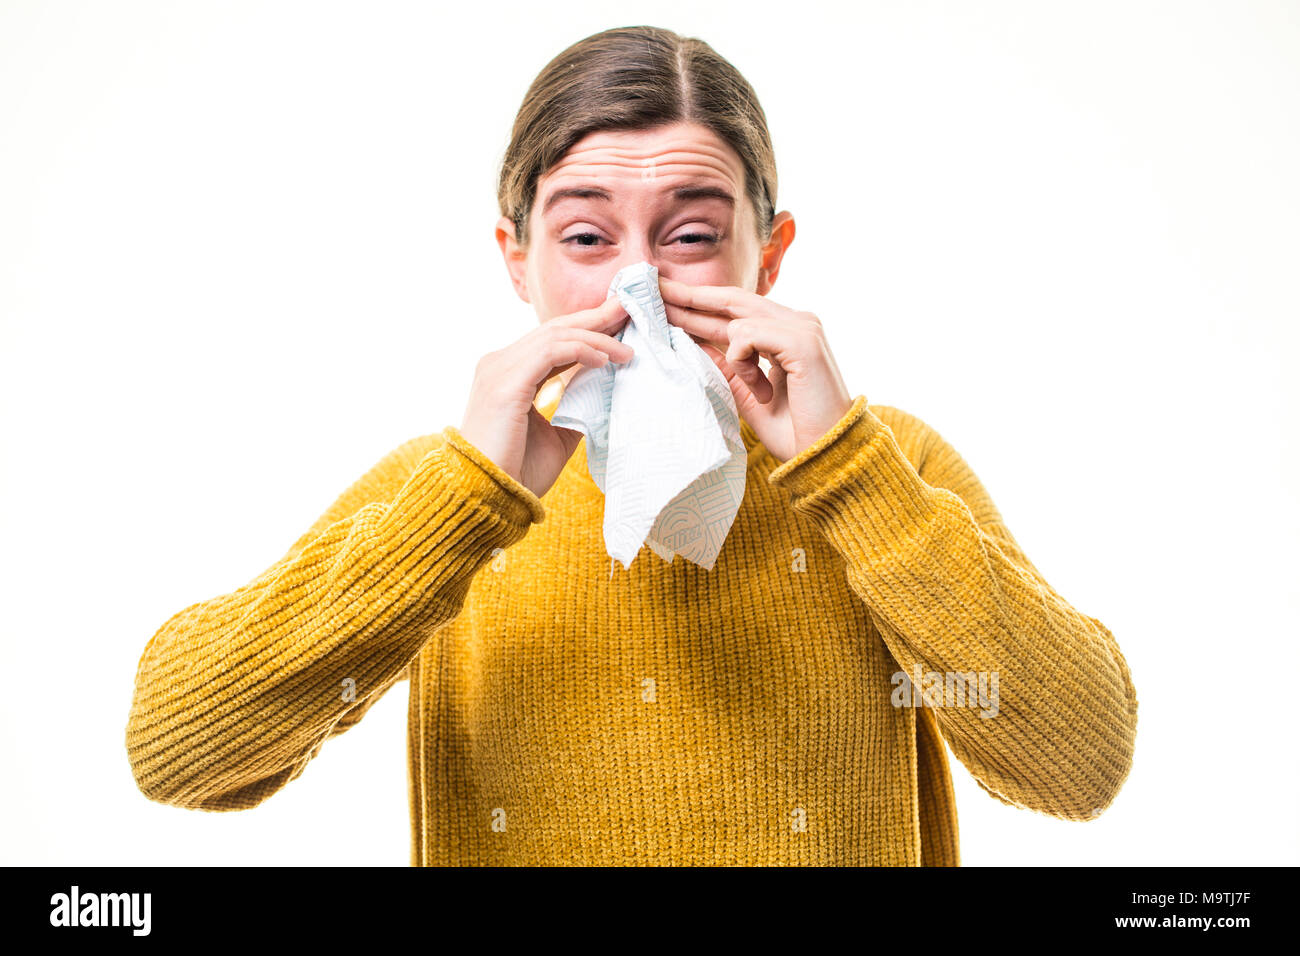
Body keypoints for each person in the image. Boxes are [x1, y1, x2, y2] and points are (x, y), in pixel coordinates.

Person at [125, 24, 1138, 866]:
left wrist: (847, 475)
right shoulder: (443, 494)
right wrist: (460, 511)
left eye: (690, 233)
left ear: (768, 256)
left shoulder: (885, 465)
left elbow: (1079, 763)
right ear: (515, 261)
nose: (638, 286)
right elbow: (176, 749)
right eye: (584, 238)